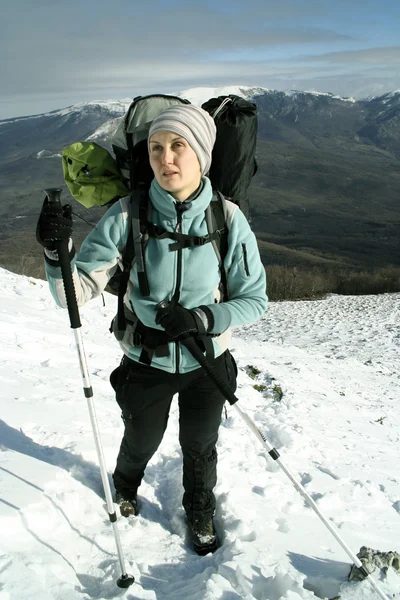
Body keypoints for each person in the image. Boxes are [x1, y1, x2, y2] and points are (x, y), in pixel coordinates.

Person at [36, 104, 268, 555]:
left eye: (179, 146)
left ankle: (199, 507)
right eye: (157, 148)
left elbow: (254, 300)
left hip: (207, 360)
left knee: (200, 444)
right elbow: (73, 294)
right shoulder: (128, 215)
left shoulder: (228, 218)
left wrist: (203, 318)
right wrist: (55, 254)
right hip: (146, 360)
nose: (167, 159)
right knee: (140, 437)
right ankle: (125, 485)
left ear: (202, 154)